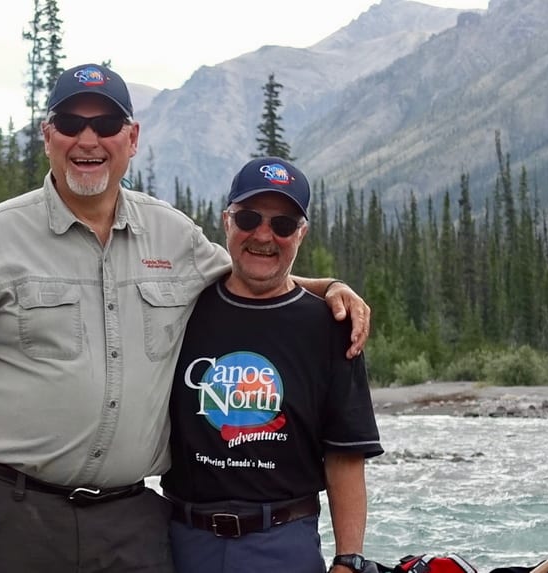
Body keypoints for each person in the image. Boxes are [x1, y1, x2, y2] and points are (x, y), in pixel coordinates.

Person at [0, 63, 371, 573]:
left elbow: (252, 268)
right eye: (70, 122)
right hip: (2, 510)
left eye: (106, 125)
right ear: (48, 136)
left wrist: (330, 288)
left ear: (131, 138)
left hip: (127, 521)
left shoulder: (173, 235)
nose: (88, 138)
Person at [160, 157, 384, 573]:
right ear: (226, 221)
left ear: (301, 233)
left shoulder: (333, 326)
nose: (264, 235)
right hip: (180, 541)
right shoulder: (181, 307)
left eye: (282, 225)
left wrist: (348, 561)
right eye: (248, 218)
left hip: (284, 542)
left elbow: (346, 456)